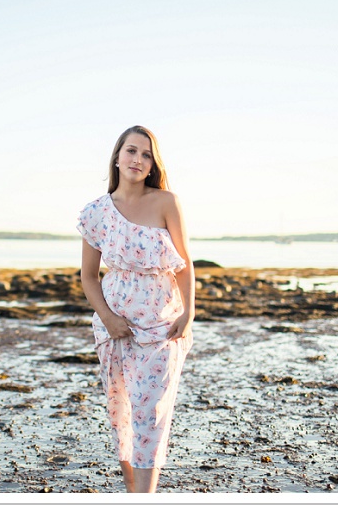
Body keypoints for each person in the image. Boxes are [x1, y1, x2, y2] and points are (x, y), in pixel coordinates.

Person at [77, 125, 195, 493]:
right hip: (116, 328)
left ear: (152, 164)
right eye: (131, 151)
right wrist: (109, 319)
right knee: (122, 413)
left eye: (146, 155)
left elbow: (185, 264)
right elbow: (88, 277)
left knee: (152, 415)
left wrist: (188, 313)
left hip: (163, 325)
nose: (138, 160)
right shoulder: (96, 212)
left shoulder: (166, 202)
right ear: (117, 156)